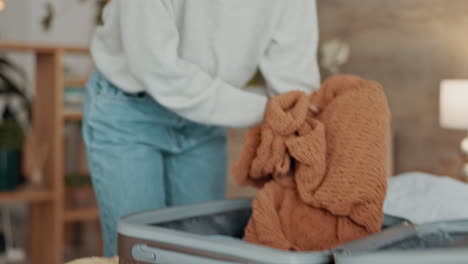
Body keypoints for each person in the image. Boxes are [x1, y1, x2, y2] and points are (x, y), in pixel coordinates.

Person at [83, 0, 320, 257]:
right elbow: (156, 68)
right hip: (130, 108)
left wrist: (303, 130)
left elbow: (295, 84)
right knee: (138, 253)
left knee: (200, 254)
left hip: (204, 119)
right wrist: (266, 111)